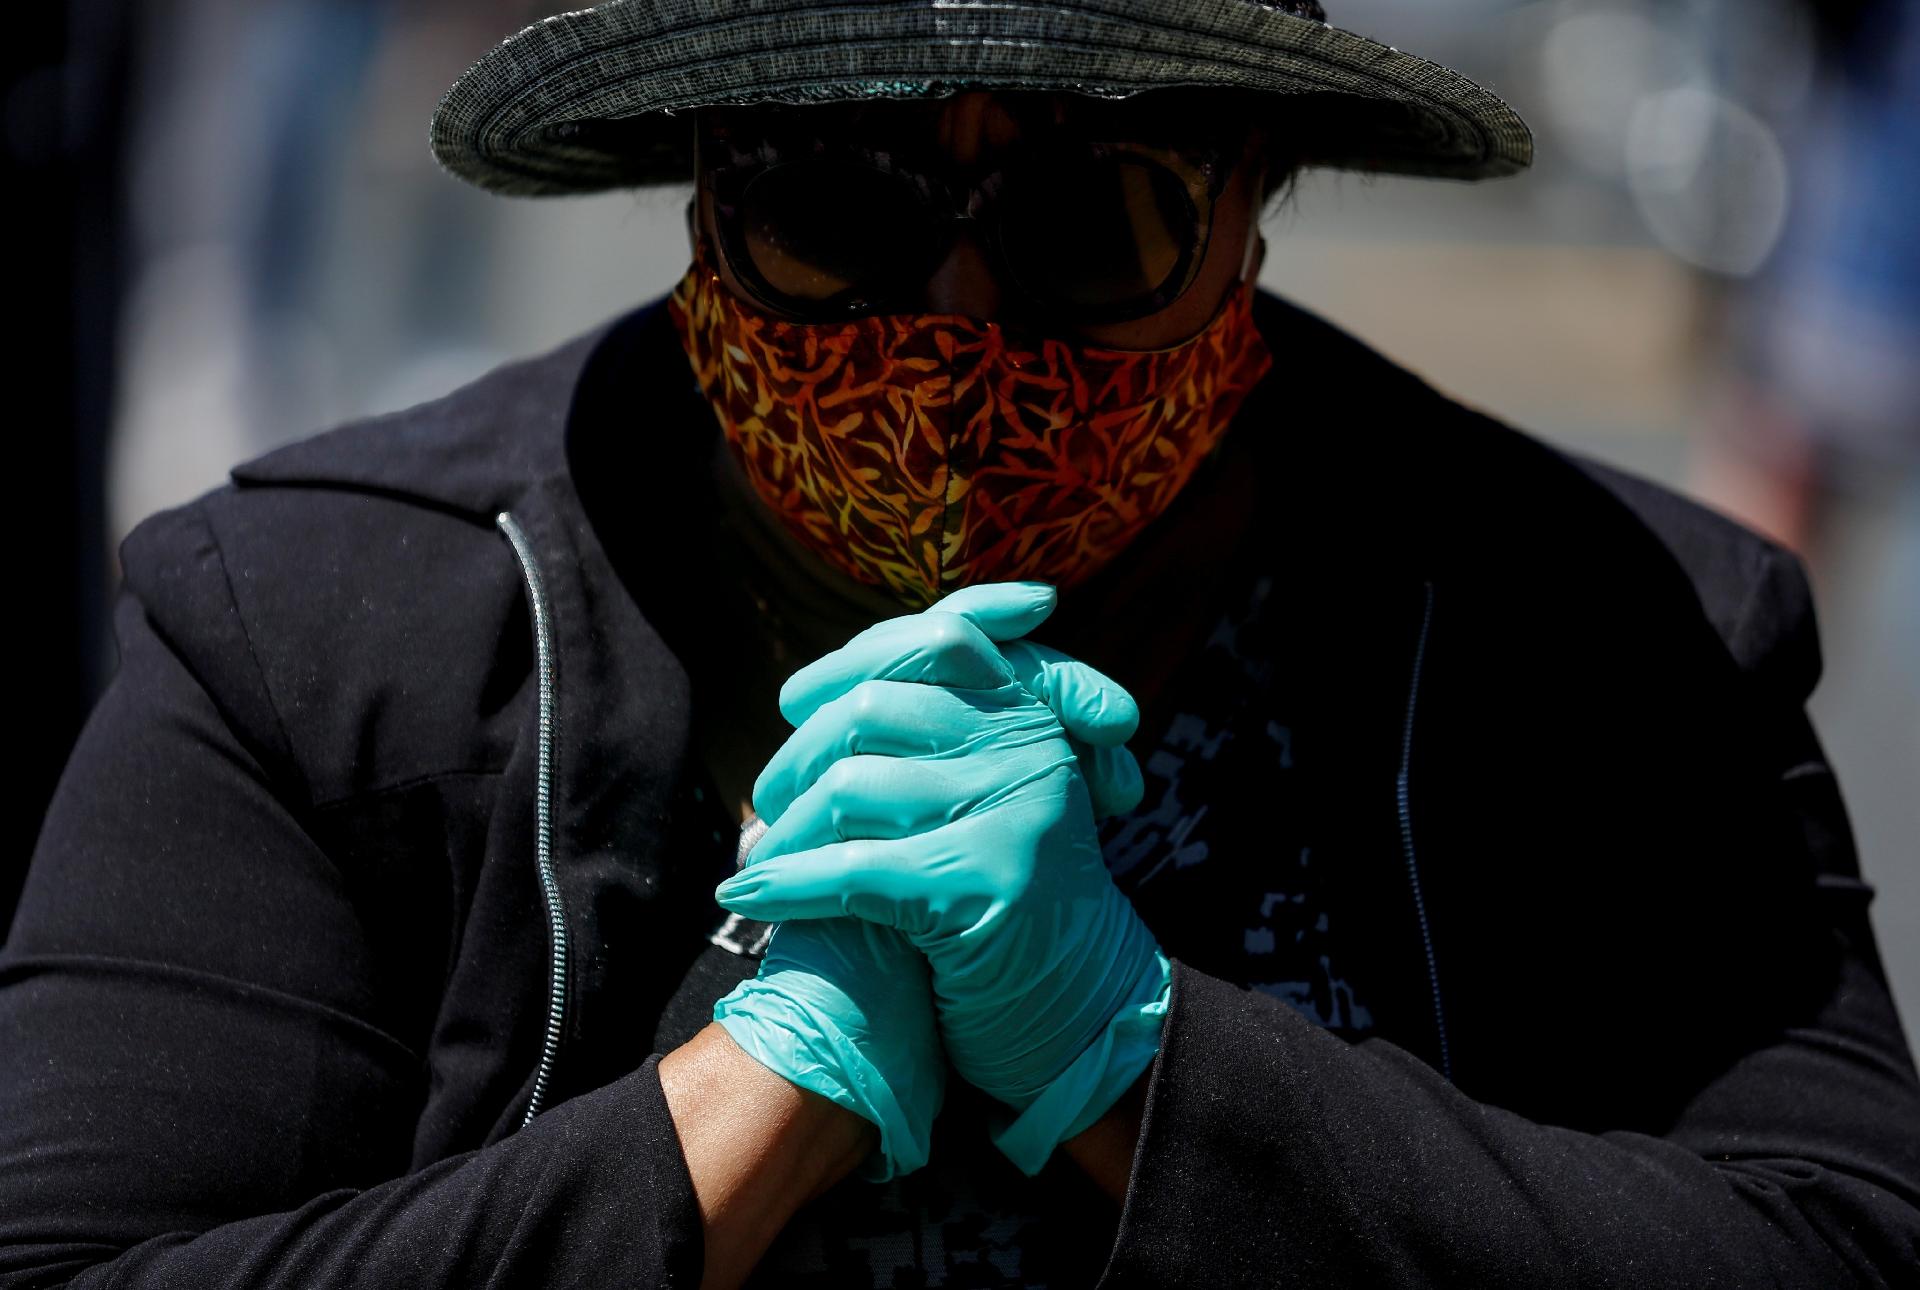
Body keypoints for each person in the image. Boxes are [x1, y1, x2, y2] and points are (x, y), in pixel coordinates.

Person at [4, 1, 1918, 1286]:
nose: (953, 331)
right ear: (702, 193)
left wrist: (1141, 1060)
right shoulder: (322, 635)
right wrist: (745, 1101)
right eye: (835, 207)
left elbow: (1838, 1237)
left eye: (1093, 219)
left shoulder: (1613, 643)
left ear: (1250, 203)